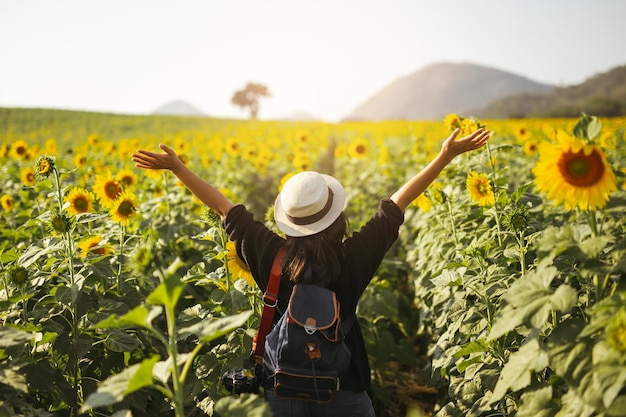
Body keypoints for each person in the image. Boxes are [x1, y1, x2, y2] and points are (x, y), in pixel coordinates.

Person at [131, 127, 490, 417]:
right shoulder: (354, 258)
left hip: (280, 384)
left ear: (289, 222)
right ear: (337, 217)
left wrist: (178, 168)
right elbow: (395, 204)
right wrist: (446, 155)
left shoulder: (269, 253)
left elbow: (224, 207)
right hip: (344, 384)